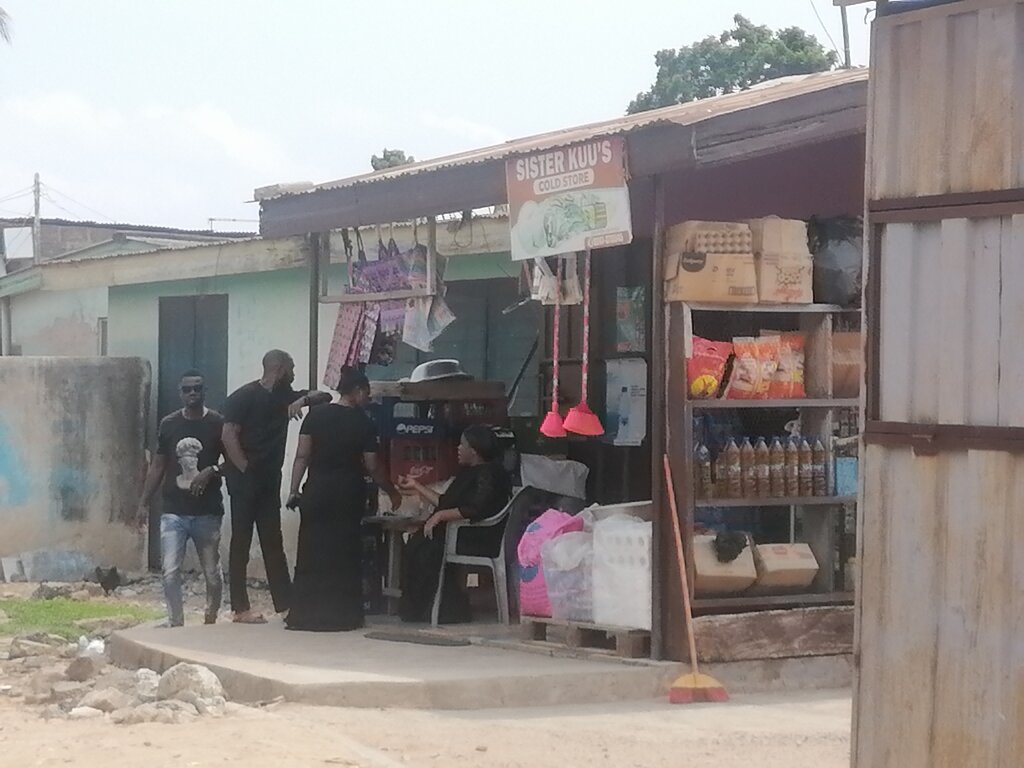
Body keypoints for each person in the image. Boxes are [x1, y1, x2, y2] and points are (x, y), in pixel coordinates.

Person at [283, 369, 402, 632]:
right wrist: (391, 491)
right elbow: (372, 466)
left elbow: (302, 456)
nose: (368, 399)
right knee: (343, 554)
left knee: (312, 551)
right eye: (367, 394)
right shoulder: (364, 423)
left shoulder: (316, 416)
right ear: (357, 391)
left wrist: (293, 490)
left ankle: (304, 614)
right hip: (347, 493)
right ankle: (342, 616)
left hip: (316, 491)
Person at [222, 349, 332, 624]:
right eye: (292, 367)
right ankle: (240, 608)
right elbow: (228, 434)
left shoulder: (287, 396)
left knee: (273, 541)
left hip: (270, 479)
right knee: (241, 541)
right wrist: (245, 468)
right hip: (245, 480)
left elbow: (325, 396)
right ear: (280, 367)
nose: (294, 373)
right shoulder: (243, 396)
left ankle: (285, 604)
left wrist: (303, 400)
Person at [137, 370, 226, 627]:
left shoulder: (218, 423)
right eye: (187, 390)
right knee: (170, 572)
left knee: (211, 573)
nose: (192, 394)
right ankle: (176, 622)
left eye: (197, 389)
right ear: (180, 393)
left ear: (204, 392)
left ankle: (211, 616)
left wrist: (212, 470)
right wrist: (143, 502)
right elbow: (158, 465)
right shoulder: (169, 424)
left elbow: (233, 459)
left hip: (207, 511)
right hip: (173, 510)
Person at [397, 425, 512, 623]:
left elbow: (476, 508)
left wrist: (440, 516)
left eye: (462, 445)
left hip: (476, 536)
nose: (458, 448)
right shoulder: (470, 472)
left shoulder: (488, 474)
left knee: (423, 550)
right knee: (414, 546)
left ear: (474, 451)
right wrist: (416, 486)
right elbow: (446, 502)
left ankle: (441, 610)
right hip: (459, 532)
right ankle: (423, 608)